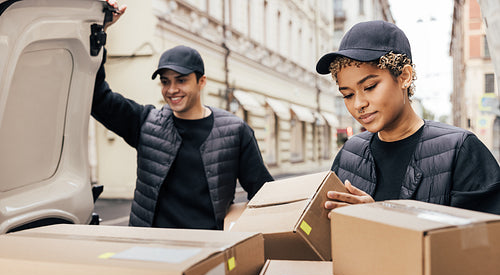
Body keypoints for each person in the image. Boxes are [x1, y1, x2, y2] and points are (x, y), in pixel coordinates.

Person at [92, 1, 273, 229]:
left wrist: (242, 232)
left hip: (208, 251)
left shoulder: (235, 131)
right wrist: (100, 31)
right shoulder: (146, 123)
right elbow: (98, 99)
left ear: (201, 82)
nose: (171, 90)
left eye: (181, 80)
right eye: (165, 82)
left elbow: (263, 192)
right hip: (151, 249)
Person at [315, 20, 500, 216]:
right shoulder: (349, 154)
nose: (358, 104)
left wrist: (378, 220)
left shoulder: (460, 149)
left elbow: (484, 241)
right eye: (348, 94)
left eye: (369, 87)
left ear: (404, 76)